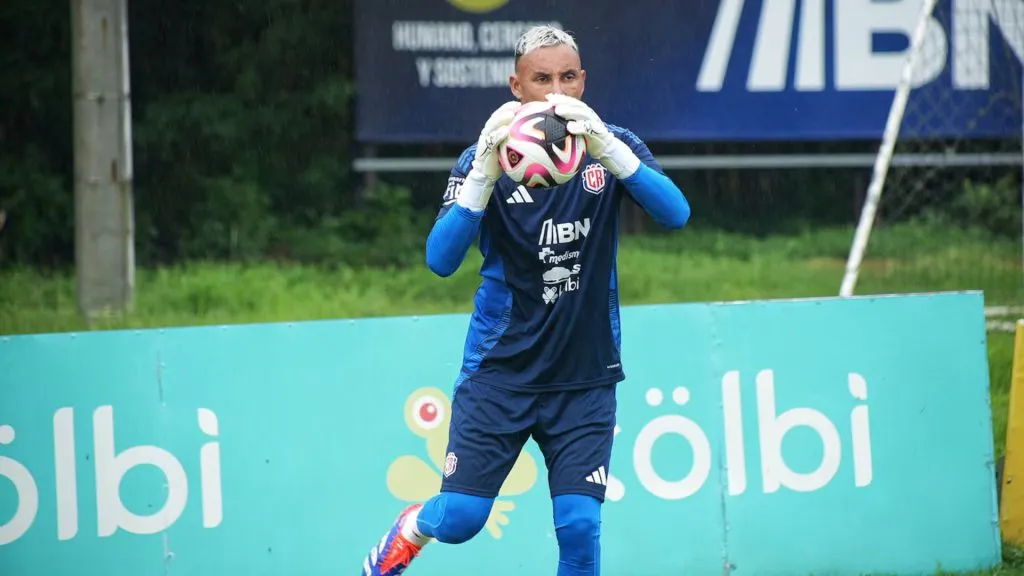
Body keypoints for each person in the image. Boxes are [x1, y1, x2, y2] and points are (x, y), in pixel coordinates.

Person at [360, 25, 691, 576]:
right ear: (516, 86)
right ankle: (413, 528)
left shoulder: (612, 147)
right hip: (502, 371)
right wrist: (484, 174)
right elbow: (440, 261)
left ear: (582, 82)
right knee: (463, 519)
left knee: (581, 528)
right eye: (541, 79)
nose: (555, 90)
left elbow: (676, 215)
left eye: (567, 77)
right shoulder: (481, 158)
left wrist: (606, 146)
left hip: (584, 375)